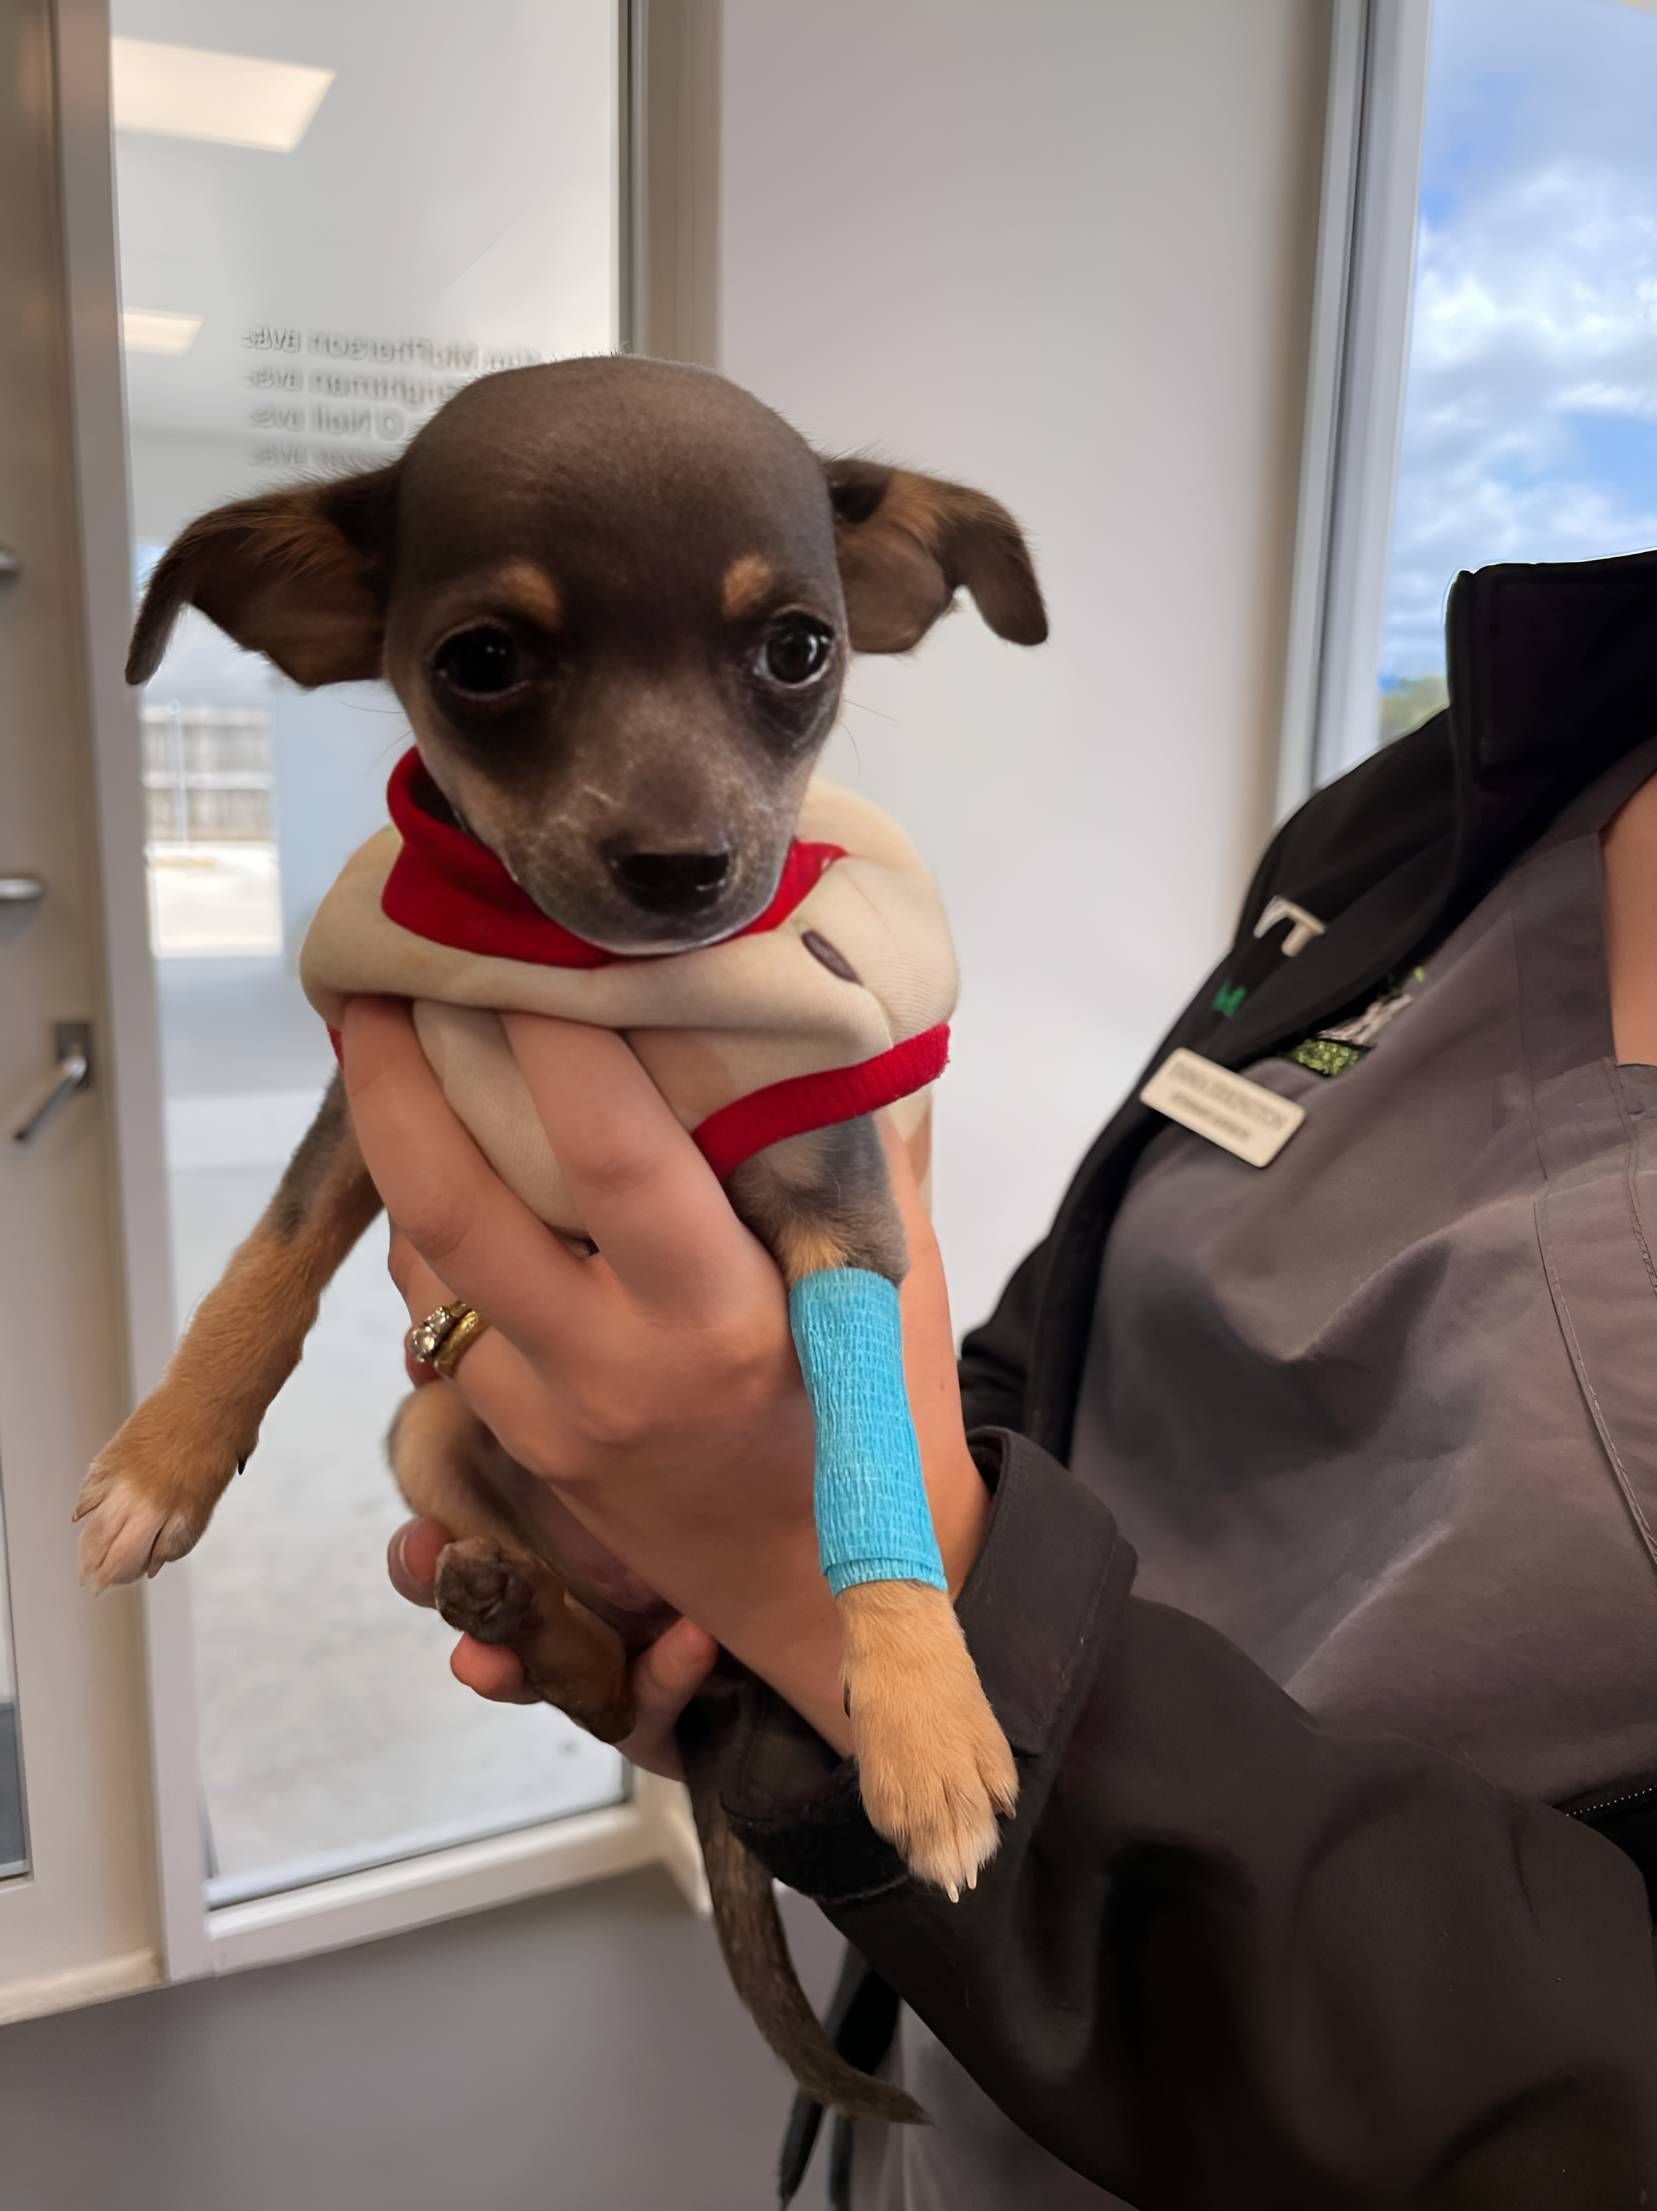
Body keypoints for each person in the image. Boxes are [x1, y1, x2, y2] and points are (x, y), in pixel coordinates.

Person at [351, 548, 1657, 2209]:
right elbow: (1063, 1349)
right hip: (962, 2051)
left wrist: (853, 1597)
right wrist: (780, 1647)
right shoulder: (1441, 802)